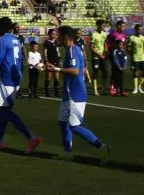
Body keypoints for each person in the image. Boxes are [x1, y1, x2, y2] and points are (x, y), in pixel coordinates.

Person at [46, 26, 110, 163]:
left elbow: (75, 71)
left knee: (74, 126)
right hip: (68, 94)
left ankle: (102, 147)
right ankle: (67, 152)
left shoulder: (73, 50)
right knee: (62, 122)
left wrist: (57, 68)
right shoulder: (71, 51)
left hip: (76, 94)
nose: (58, 38)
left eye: (60, 36)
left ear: (66, 37)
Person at [0, 17, 40, 153]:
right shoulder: (16, 40)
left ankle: (31, 137)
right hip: (16, 80)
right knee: (3, 112)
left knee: (5, 111)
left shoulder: (2, 40)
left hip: (7, 80)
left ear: (3, 28)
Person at [89, 19, 110, 97]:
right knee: (95, 74)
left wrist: (106, 51)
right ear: (97, 25)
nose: (103, 26)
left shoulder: (104, 34)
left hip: (103, 57)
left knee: (105, 72)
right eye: (101, 25)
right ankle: (95, 90)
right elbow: (91, 47)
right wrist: (99, 54)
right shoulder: (93, 34)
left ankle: (103, 89)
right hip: (96, 58)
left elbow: (105, 44)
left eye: (104, 25)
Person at [128, 24, 144, 94]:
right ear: (136, 30)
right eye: (139, 29)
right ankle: (135, 88)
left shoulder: (143, 37)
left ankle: (139, 86)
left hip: (143, 58)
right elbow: (128, 48)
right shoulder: (131, 38)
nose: (140, 30)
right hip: (135, 58)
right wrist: (132, 54)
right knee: (136, 72)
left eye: (141, 29)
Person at [42, 28, 61, 99]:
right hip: (49, 61)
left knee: (57, 78)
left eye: (55, 34)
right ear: (49, 34)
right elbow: (45, 52)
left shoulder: (56, 42)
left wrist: (60, 59)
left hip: (56, 61)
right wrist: (46, 61)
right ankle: (47, 92)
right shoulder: (46, 42)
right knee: (49, 77)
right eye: (53, 34)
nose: (54, 35)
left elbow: (57, 50)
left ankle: (56, 92)